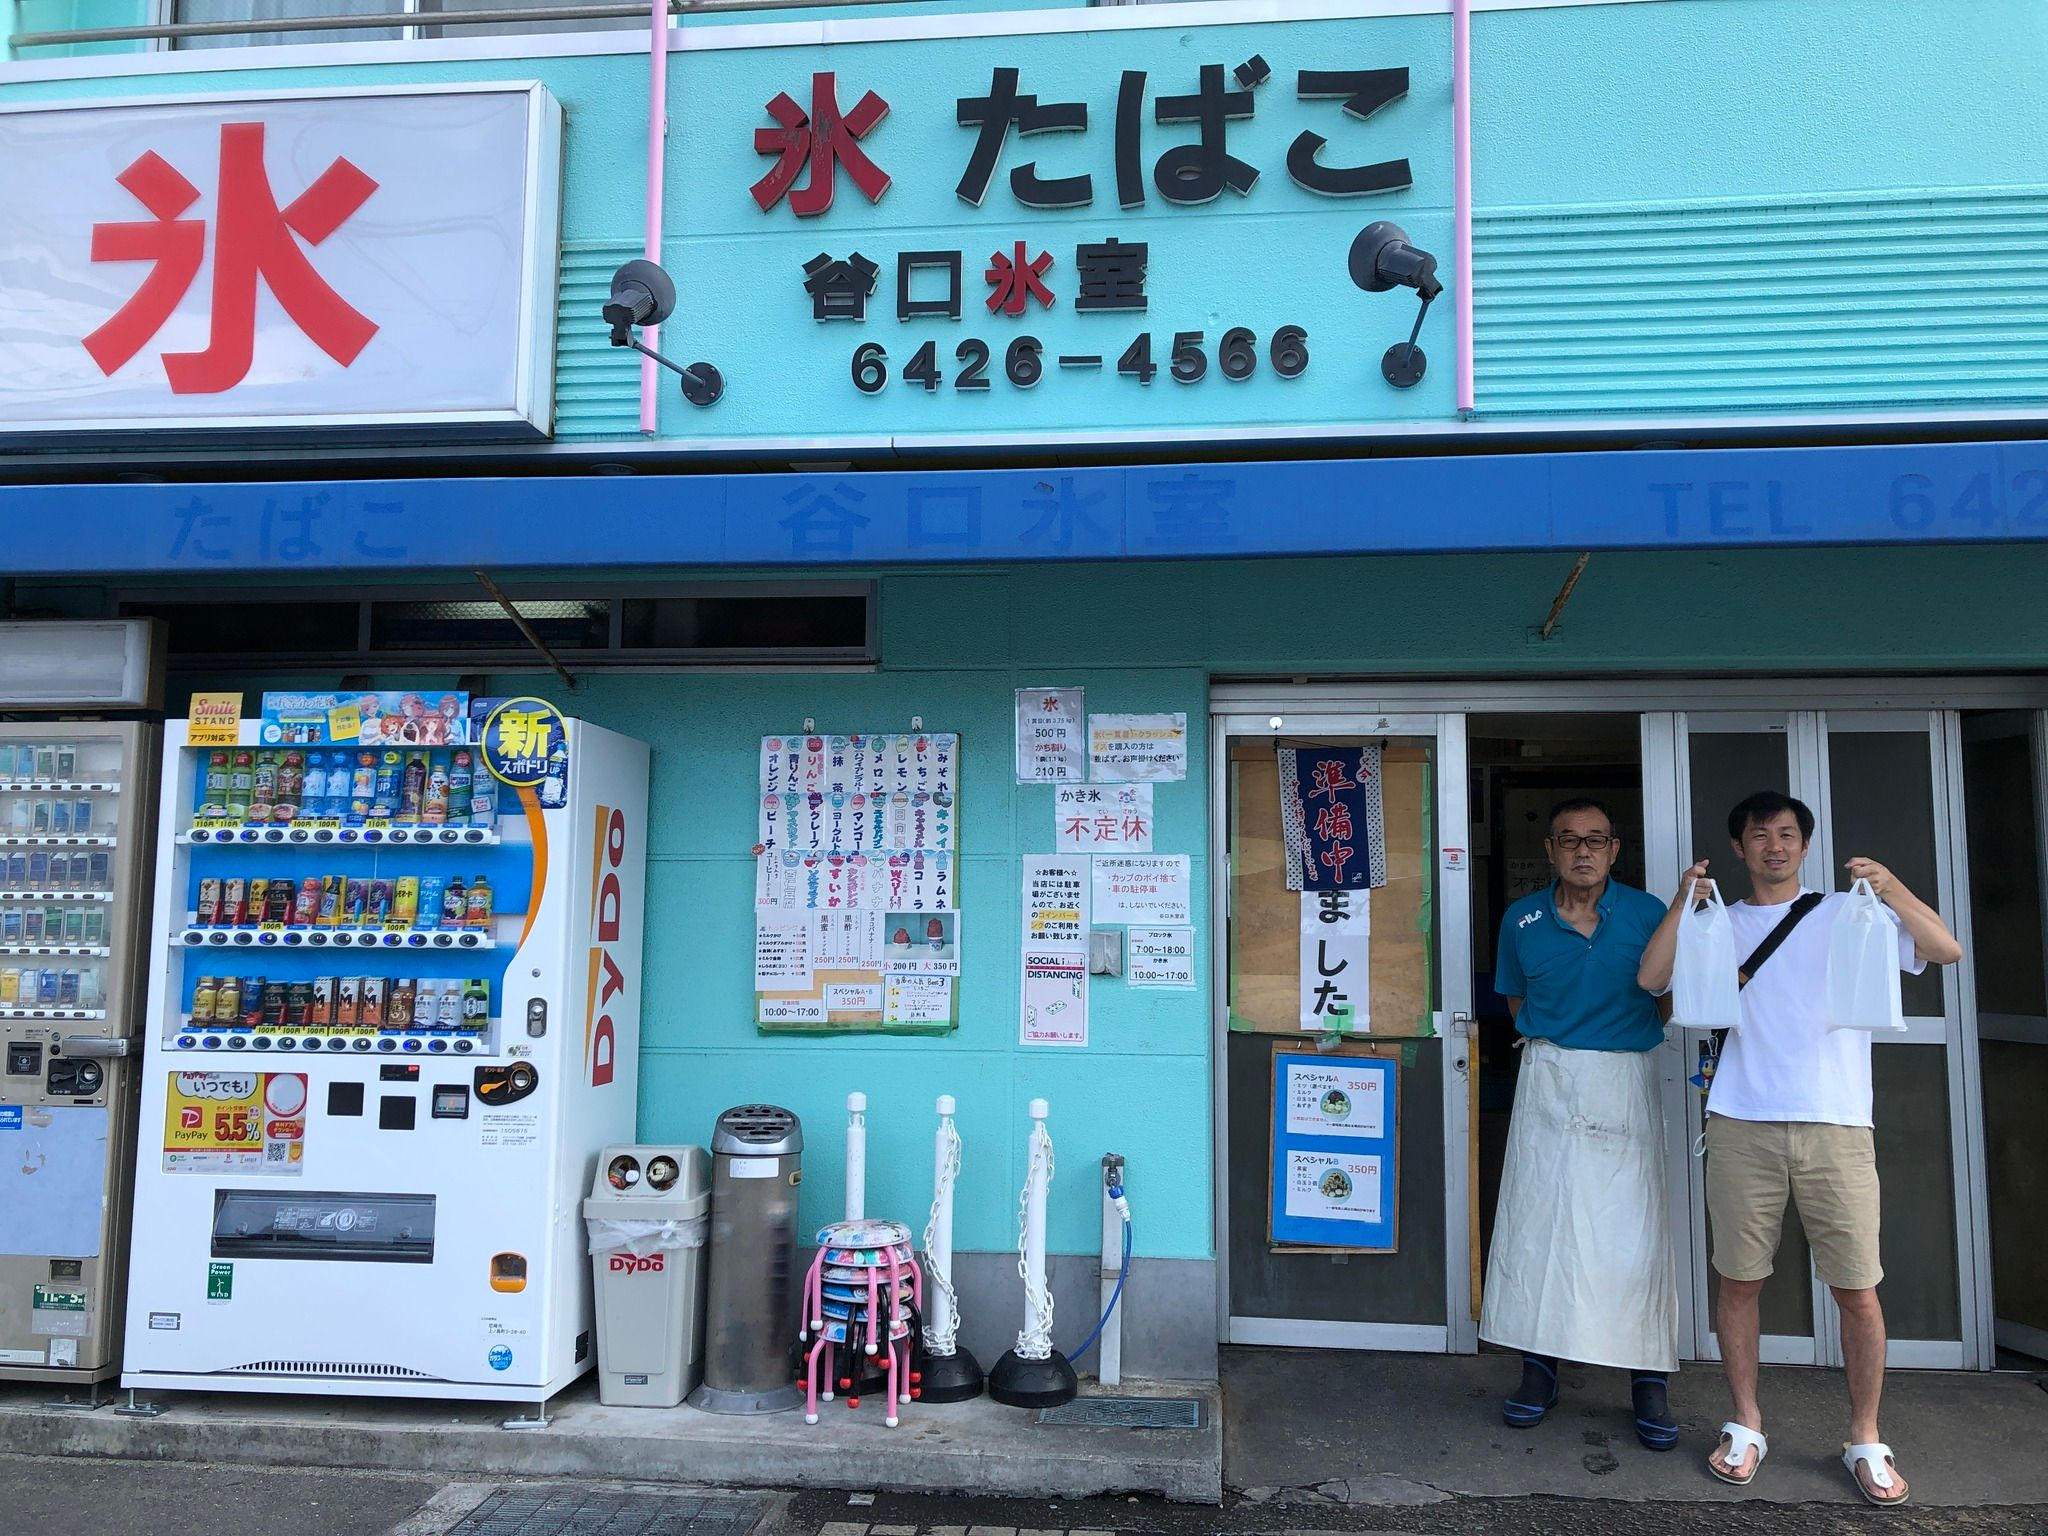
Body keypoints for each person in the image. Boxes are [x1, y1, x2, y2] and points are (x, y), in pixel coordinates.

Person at [1637, 790, 1961, 1508]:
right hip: (1741, 1120)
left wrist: (1890, 885)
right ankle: (1746, 1423)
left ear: (1805, 846)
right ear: (1739, 848)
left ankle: (1866, 1436)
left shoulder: (1852, 912)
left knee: (1858, 1290)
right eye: (1760, 836)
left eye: (1787, 835)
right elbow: (1651, 980)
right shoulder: (1716, 919)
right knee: (1740, 1281)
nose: (1774, 846)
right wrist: (1681, 900)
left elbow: (1945, 948)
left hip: (1837, 1124)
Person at [1480, 798, 1680, 1449]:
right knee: (1542, 1233)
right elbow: (1516, 1001)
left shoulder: (1650, 914)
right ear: (1551, 850)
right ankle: (1539, 1371)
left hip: (1626, 1081)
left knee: (1635, 1237)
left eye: (1596, 839)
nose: (1583, 851)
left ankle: (1648, 1381)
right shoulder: (1522, 920)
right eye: (1570, 840)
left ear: (1615, 849)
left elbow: (1670, 1000)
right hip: (1548, 1081)